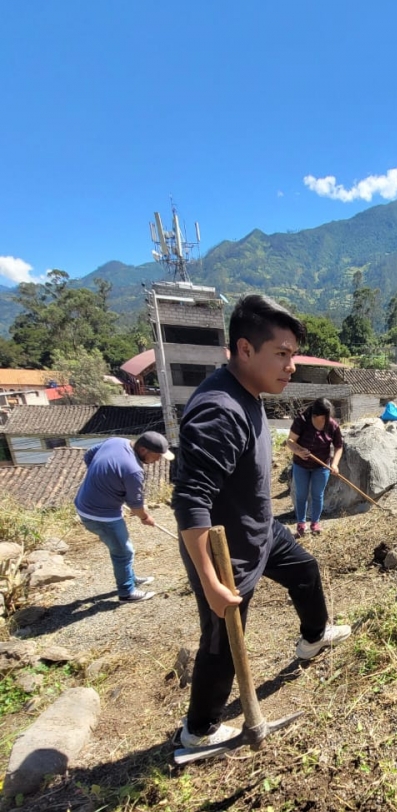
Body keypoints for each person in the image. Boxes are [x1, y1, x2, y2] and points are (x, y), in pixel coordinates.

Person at [172, 294, 351, 750]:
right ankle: (200, 729)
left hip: (261, 530)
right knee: (223, 643)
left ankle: (314, 637)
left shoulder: (250, 392)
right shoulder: (220, 409)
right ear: (245, 349)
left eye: (294, 355)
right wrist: (211, 581)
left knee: (305, 572)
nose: (291, 366)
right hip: (225, 554)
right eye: (282, 354)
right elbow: (191, 500)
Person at [74, 431, 174, 603]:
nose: (158, 461)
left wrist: (104, 480)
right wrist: (145, 518)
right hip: (100, 516)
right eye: (157, 456)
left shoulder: (116, 442)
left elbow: (89, 455)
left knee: (123, 548)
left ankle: (130, 578)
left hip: (84, 503)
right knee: (123, 551)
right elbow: (136, 506)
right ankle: (126, 592)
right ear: (143, 450)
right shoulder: (133, 470)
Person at [287, 397, 343, 536]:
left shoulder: (332, 425)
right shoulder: (302, 421)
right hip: (301, 465)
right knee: (301, 495)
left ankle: (315, 523)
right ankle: (301, 523)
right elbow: (290, 441)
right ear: (315, 414)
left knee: (318, 495)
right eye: (324, 417)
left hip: (321, 466)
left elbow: (338, 447)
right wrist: (298, 451)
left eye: (328, 416)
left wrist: (335, 464)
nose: (326, 420)